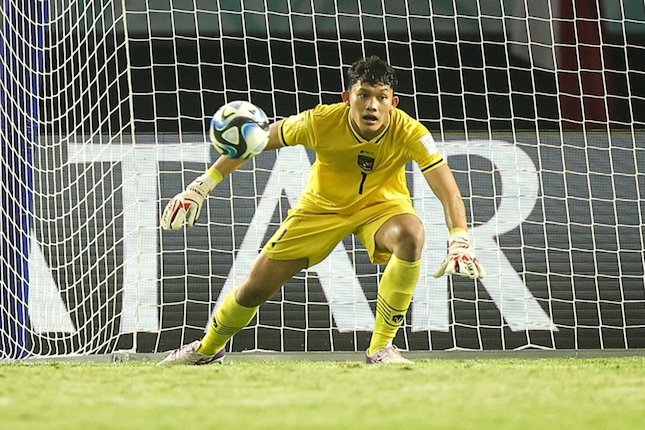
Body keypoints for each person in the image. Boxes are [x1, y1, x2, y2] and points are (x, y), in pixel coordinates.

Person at [158, 55, 485, 365]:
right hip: (319, 210)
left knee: (411, 234)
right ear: (348, 97)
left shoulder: (411, 132)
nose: (372, 105)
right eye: (364, 95)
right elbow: (255, 139)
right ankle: (207, 349)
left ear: (393, 102)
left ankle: (381, 348)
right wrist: (201, 185)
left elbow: (448, 189)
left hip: (381, 208)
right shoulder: (320, 121)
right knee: (255, 288)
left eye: (382, 97)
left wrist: (460, 236)